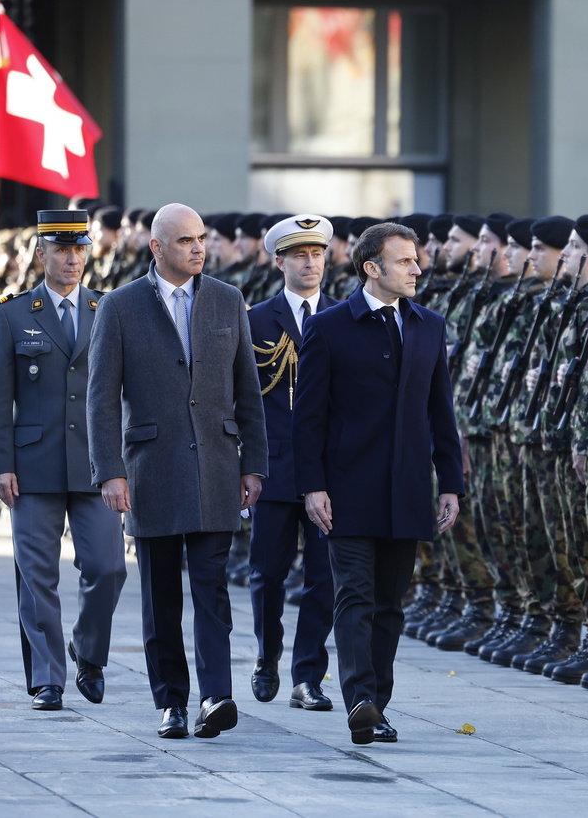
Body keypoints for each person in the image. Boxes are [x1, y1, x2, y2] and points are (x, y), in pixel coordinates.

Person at [87, 202, 267, 740]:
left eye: (202, 238)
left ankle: (217, 696)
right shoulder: (119, 307)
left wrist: (253, 464)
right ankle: (172, 702)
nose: (198, 248)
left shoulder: (228, 301)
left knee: (212, 588)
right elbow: (100, 400)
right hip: (152, 471)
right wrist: (109, 473)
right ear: (158, 247)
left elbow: (247, 393)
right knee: (161, 593)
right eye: (186, 240)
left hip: (216, 466)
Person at [294, 221, 465, 745]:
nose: (418, 268)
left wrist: (450, 482)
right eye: (405, 261)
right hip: (347, 490)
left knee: (391, 604)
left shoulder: (429, 326)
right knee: (354, 598)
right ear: (373, 268)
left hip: (408, 489)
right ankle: (360, 699)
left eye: (417, 260)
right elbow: (307, 417)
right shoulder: (328, 327)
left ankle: (377, 705)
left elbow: (442, 413)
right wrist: (312, 485)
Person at [0, 209, 127, 711]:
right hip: (33, 466)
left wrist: (123, 463)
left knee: (108, 568)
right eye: (61, 250)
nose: (72, 258)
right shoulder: (13, 313)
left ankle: (88, 652)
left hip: (96, 463)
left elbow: (126, 393)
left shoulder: (109, 309)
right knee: (36, 573)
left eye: (79, 249)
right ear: (41, 254)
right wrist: (0, 463)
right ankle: (48, 678)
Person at [246, 215, 339, 711]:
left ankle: (308, 676)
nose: (310, 263)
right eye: (299, 254)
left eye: (317, 253)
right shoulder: (256, 319)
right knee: (267, 573)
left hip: (327, 472)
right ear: (279, 260)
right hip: (274, 469)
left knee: (323, 577)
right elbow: (241, 398)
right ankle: (267, 656)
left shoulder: (344, 316)